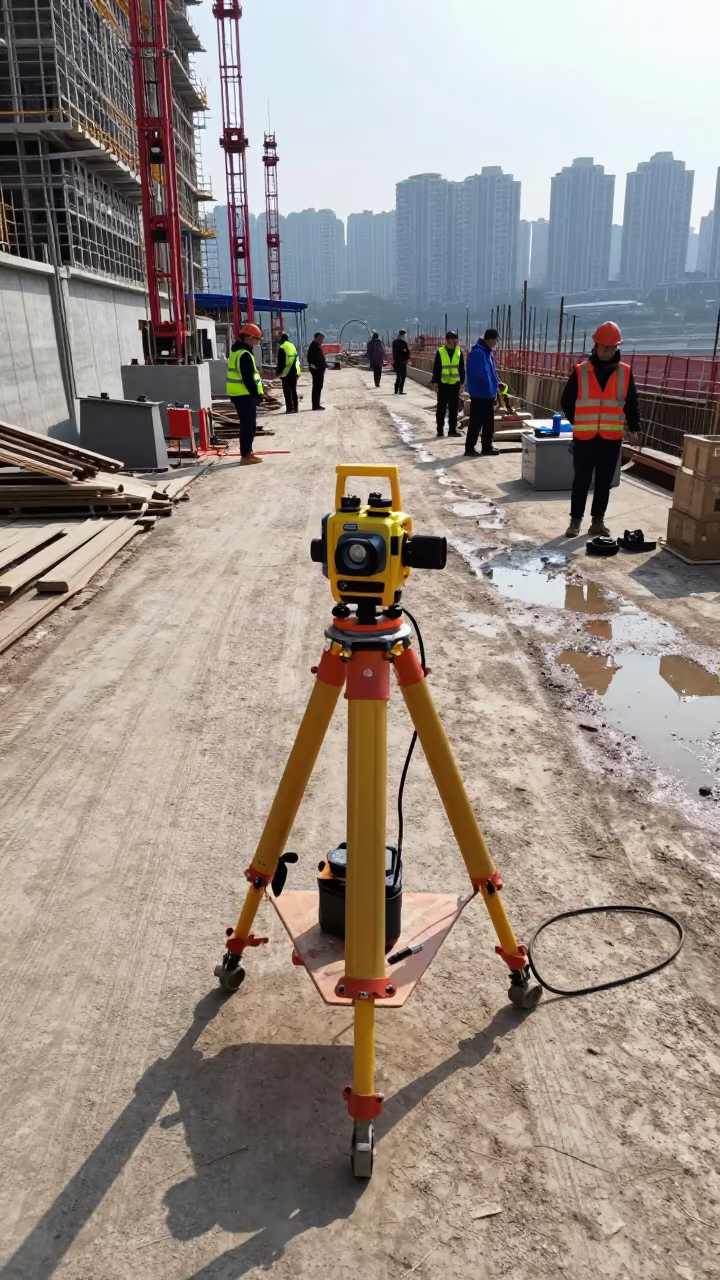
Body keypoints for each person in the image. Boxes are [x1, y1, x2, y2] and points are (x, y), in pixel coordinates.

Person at [561, 321, 641, 538]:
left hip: (611, 438)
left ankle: (598, 521)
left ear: (616, 348)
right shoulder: (580, 371)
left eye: (611, 348)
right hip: (586, 438)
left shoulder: (625, 373)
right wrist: (578, 423)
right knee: (581, 480)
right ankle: (575, 521)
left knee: (604, 482)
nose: (606, 351)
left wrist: (635, 428)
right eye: (602, 347)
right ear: (595, 346)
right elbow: (566, 401)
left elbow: (632, 402)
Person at [226, 322, 264, 465]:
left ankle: (247, 452)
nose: (257, 342)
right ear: (248, 337)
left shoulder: (236, 353)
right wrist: (257, 395)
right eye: (256, 339)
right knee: (249, 425)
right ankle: (246, 454)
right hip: (244, 395)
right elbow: (248, 378)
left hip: (238, 394)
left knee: (246, 425)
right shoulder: (245, 355)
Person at [464, 328, 500, 456]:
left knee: (488, 423)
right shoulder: (478, 353)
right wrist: (488, 387)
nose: (495, 343)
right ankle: (469, 448)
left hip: (488, 394)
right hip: (480, 394)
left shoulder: (486, 353)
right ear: (489, 339)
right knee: (476, 422)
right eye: (495, 340)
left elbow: (491, 372)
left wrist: (497, 383)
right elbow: (479, 374)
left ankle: (486, 447)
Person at [431, 330, 465, 437]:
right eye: (453, 339)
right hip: (443, 384)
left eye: (456, 339)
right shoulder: (441, 351)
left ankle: (452, 430)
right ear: (448, 340)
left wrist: (462, 382)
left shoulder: (459, 351)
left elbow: (461, 368)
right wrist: (435, 382)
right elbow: (436, 368)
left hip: (454, 384)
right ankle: (440, 430)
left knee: (453, 408)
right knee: (441, 408)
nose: (455, 341)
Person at [276, 331, 300, 413]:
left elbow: (281, 362)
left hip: (285, 373)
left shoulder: (282, 347)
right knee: (293, 390)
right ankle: (296, 408)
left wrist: (278, 372)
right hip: (294, 372)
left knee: (287, 392)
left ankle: (289, 408)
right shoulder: (293, 346)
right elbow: (296, 359)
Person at [307, 331, 327, 410]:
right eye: (321, 338)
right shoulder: (313, 347)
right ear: (317, 338)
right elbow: (310, 360)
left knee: (319, 387)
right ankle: (315, 405)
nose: (322, 340)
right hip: (316, 371)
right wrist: (315, 368)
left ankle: (317, 404)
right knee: (316, 387)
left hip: (320, 371)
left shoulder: (318, 346)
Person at [392, 329, 410, 394]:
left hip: (396, 362)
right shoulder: (404, 343)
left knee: (398, 376)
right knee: (403, 376)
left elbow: (394, 353)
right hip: (402, 362)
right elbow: (407, 352)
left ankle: (396, 389)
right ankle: (400, 390)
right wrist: (407, 359)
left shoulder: (394, 342)